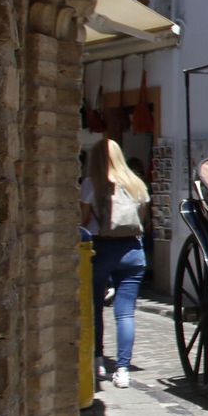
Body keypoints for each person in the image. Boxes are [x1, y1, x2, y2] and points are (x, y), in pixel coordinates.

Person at [81, 138, 149, 389]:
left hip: (101, 248)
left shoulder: (91, 184)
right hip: (132, 250)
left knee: (95, 307)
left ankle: (98, 360)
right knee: (126, 313)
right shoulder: (136, 184)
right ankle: (122, 369)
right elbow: (143, 220)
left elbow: (83, 219)